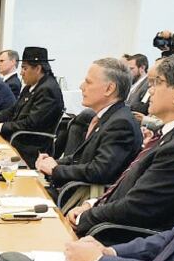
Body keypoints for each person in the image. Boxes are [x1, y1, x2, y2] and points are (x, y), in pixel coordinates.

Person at [68, 56, 174, 242]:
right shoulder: (165, 136)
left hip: (122, 240)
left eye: (157, 83)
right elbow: (127, 187)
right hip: (107, 222)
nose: (150, 91)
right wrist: (91, 204)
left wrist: (87, 216)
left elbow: (138, 206)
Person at [35, 58, 141, 192]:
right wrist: (53, 162)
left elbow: (99, 171)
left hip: (88, 198)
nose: (81, 86)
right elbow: (81, 158)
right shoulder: (108, 117)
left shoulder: (121, 123)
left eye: (88, 82)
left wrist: (56, 170)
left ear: (109, 88)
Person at [0, 46, 64, 168]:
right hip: (17, 136)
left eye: (24, 68)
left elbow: (30, 124)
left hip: (30, 144)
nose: (21, 72)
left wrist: (0, 126)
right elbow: (12, 110)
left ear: (38, 68)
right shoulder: (31, 86)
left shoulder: (48, 89)